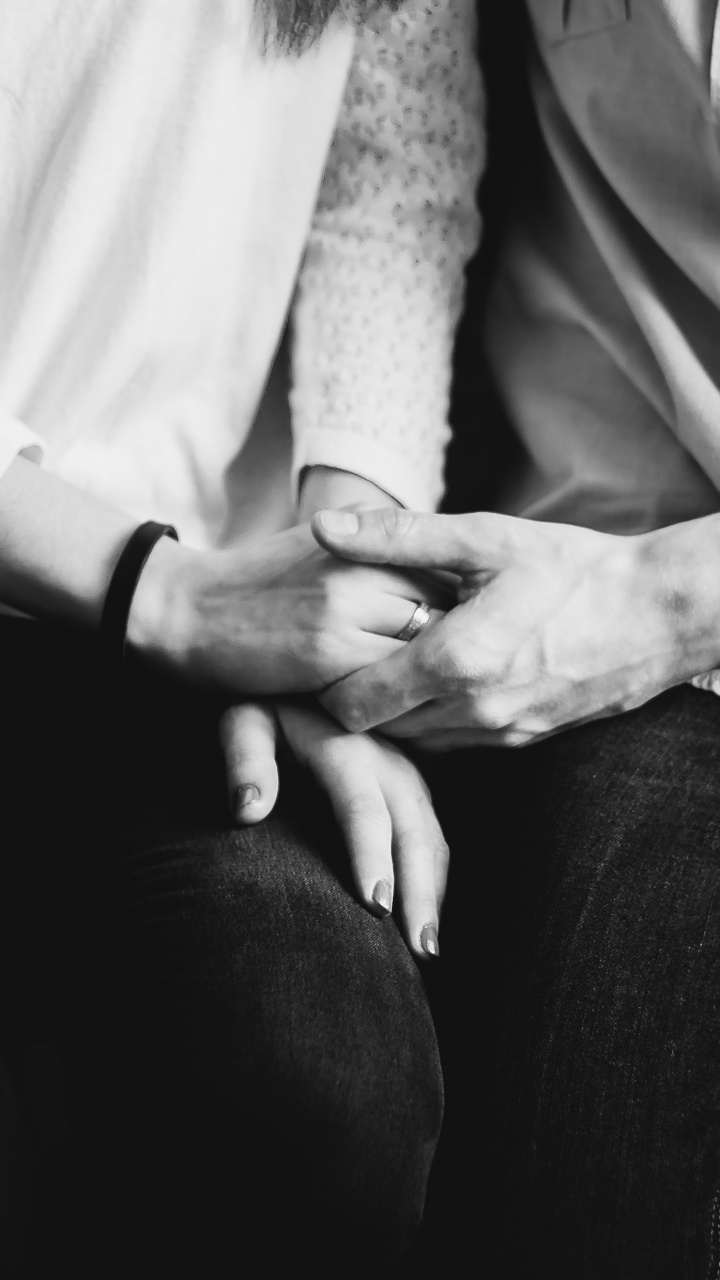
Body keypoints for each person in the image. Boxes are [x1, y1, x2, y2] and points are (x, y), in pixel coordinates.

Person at [0, 0, 483, 1275]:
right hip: (138, 585)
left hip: (165, 620)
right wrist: (167, 595)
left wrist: (330, 603)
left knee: (324, 1077)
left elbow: (385, 186)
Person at [265, 3, 720, 1277]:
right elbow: (393, 180)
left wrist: (672, 598)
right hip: (588, 549)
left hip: (646, 600)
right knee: (579, 1114)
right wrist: (328, 588)